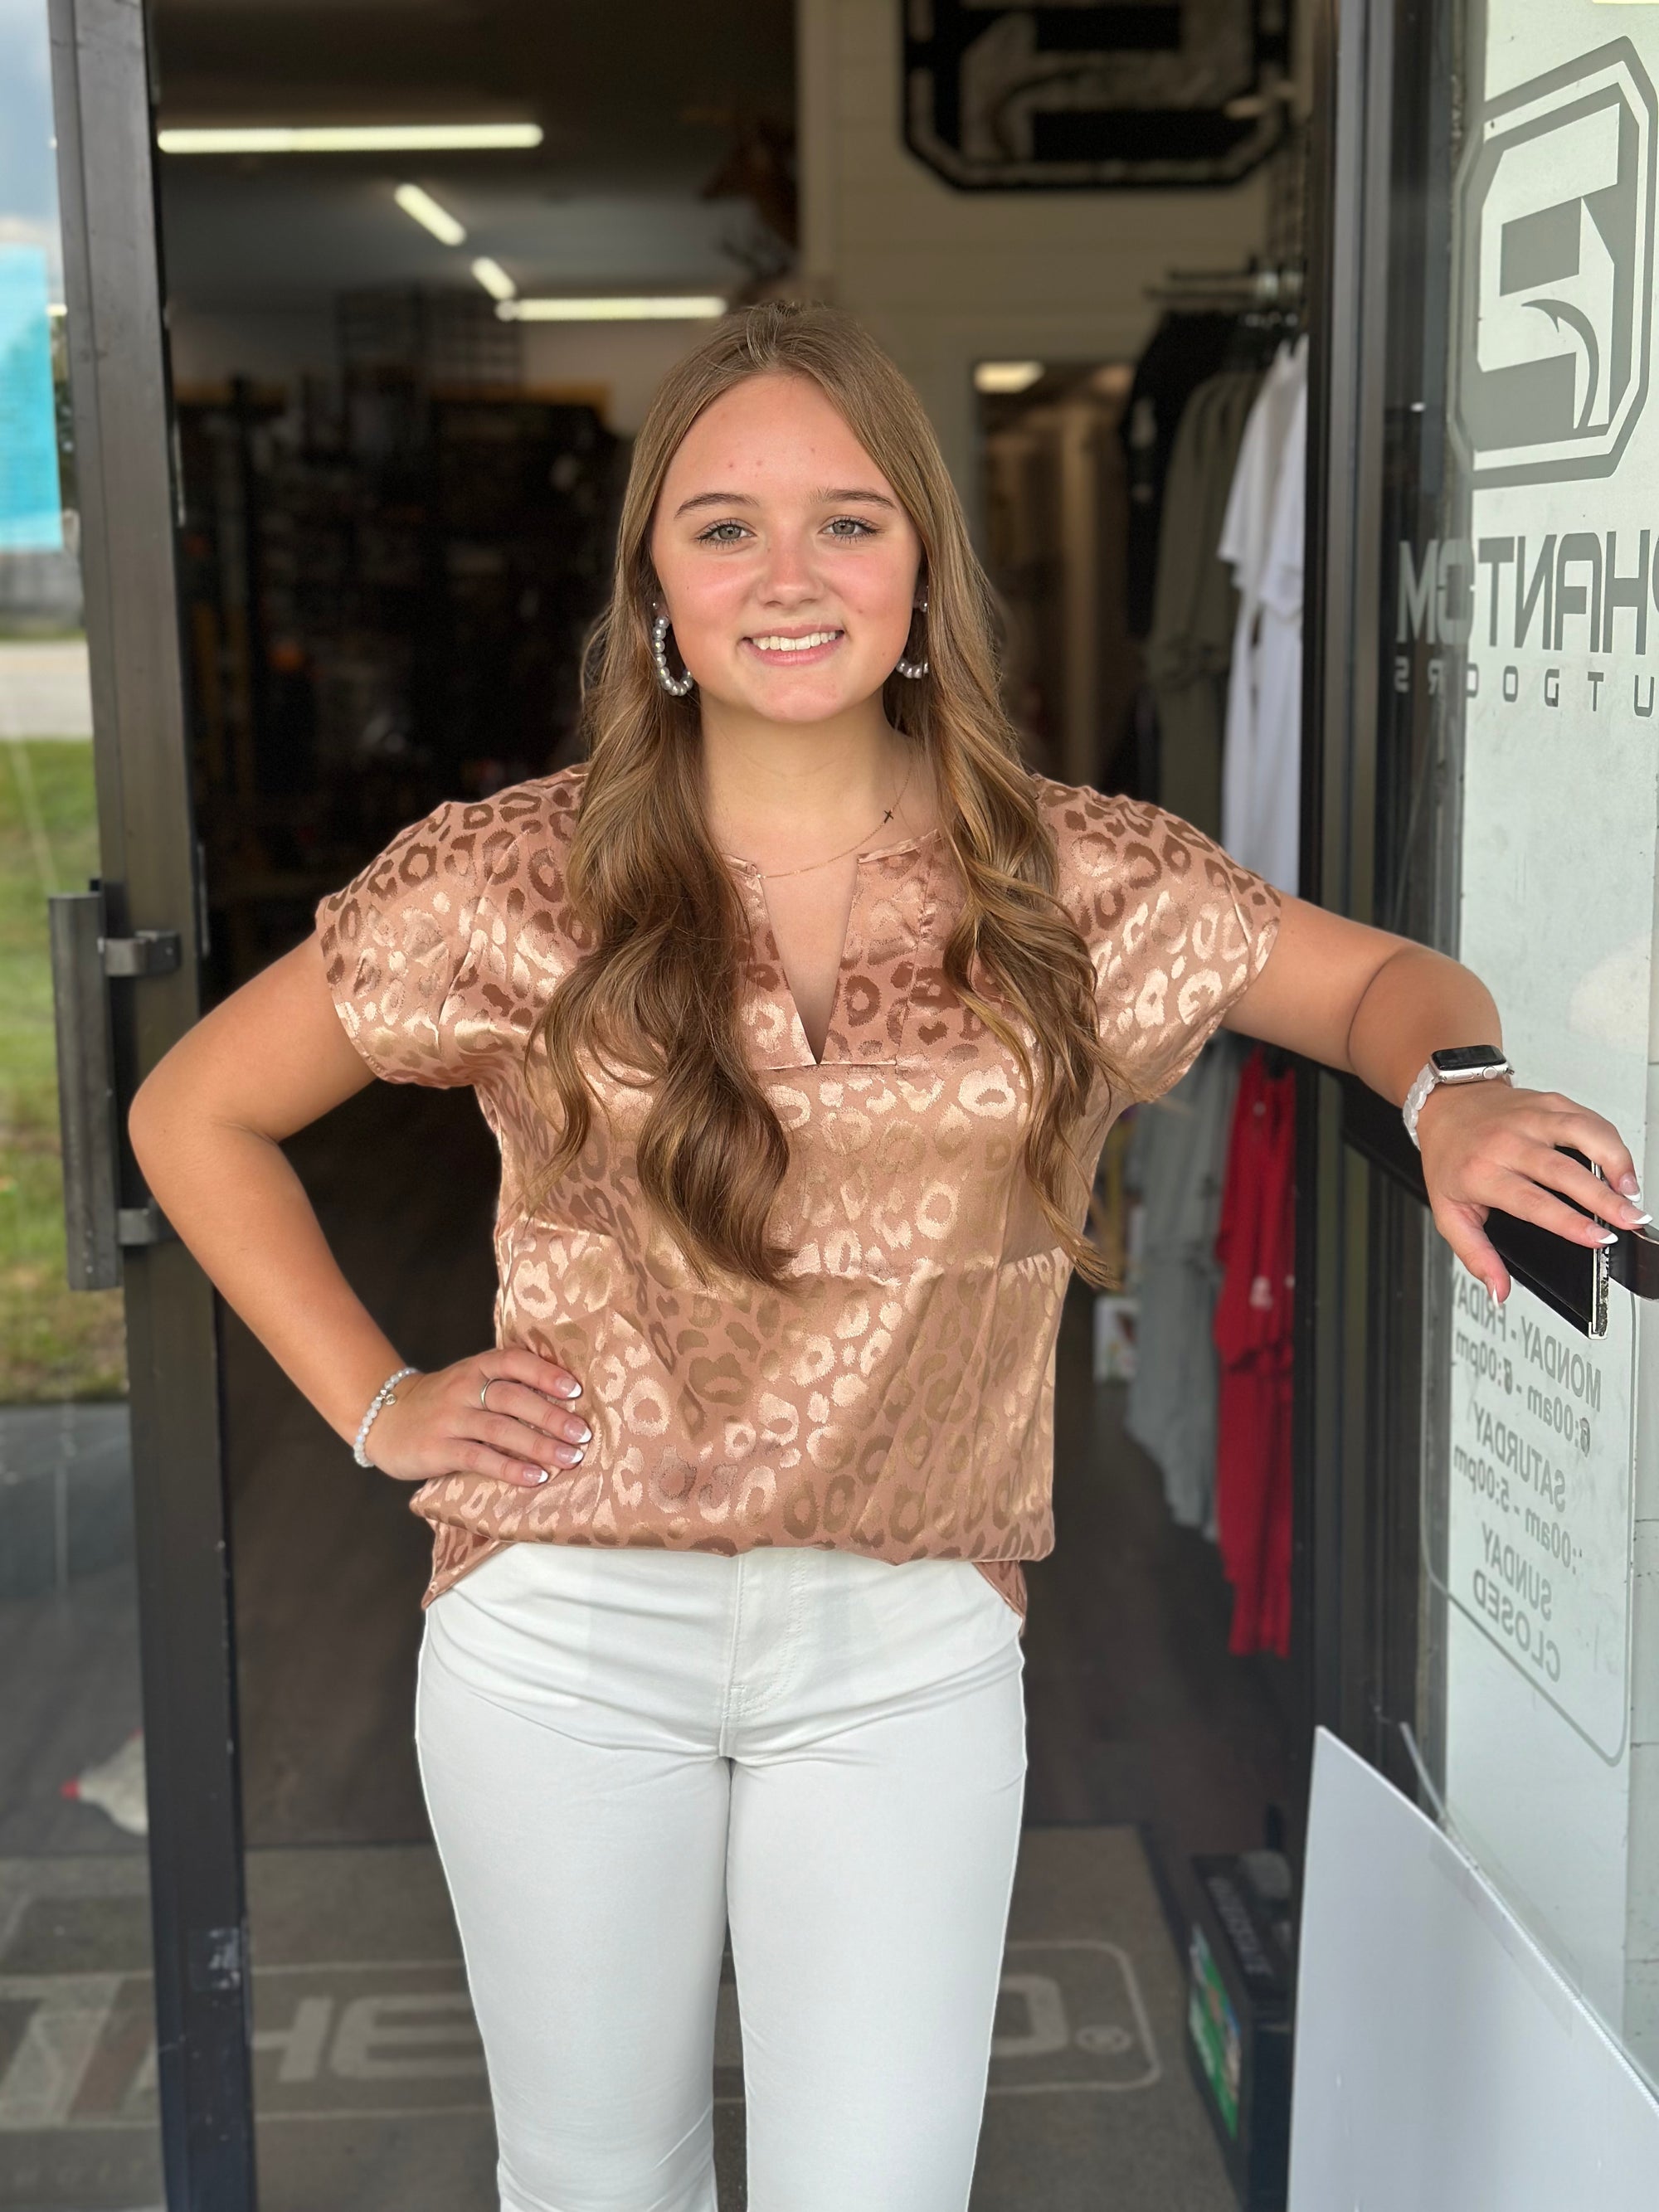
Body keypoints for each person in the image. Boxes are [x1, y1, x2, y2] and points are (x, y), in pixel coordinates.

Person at [129, 301, 1642, 2212]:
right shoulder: (517, 877)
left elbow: (1374, 987)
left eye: (846, 520)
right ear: (653, 593)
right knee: (599, 2182)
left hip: (908, 1647)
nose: (787, 574)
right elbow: (192, 1110)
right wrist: (379, 1401)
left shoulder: (1068, 880)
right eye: (723, 524)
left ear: (920, 576)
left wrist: (1461, 1093)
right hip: (566, 1634)